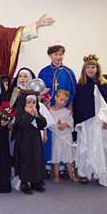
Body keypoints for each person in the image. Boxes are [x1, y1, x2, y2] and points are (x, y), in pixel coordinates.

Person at [73, 54, 107, 187]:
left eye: (93, 67)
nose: (91, 69)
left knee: (98, 148)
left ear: (97, 69)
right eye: (88, 67)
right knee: (84, 147)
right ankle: (84, 173)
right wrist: (78, 122)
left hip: (99, 122)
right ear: (84, 69)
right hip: (85, 122)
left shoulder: (103, 85)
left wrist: (106, 121)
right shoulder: (81, 85)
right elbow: (78, 105)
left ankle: (100, 174)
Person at [38, 41, 77, 178]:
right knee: (49, 137)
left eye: (61, 54)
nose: (58, 57)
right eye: (56, 54)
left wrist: (71, 104)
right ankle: (48, 165)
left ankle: (62, 166)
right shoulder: (44, 72)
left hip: (64, 110)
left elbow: (73, 90)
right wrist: (44, 102)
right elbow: (39, 91)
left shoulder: (68, 72)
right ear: (50, 55)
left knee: (63, 137)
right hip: (49, 110)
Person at [13, 91, 47, 194]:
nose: (31, 105)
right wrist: (28, 114)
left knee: (36, 159)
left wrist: (36, 115)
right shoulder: (20, 115)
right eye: (28, 102)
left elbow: (42, 124)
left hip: (35, 140)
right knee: (25, 161)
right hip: (24, 141)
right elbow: (22, 124)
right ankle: (24, 182)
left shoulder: (37, 113)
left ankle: (36, 181)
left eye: (33, 102)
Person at [49, 90, 78, 183]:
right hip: (57, 137)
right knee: (56, 156)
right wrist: (57, 126)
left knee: (68, 157)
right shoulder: (50, 111)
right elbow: (50, 123)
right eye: (61, 99)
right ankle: (56, 176)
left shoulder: (67, 111)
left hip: (67, 137)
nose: (63, 103)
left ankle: (71, 175)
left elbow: (71, 122)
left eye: (65, 101)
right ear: (56, 98)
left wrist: (65, 125)